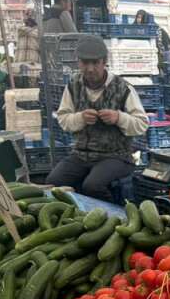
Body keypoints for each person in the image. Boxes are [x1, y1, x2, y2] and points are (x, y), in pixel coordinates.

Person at [46, 35, 149, 198]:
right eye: (85, 63)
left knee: (93, 185)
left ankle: (113, 212)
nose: (90, 69)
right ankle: (75, 211)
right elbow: (63, 119)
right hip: (81, 154)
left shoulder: (123, 88)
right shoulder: (73, 86)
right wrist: (80, 118)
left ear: (104, 62)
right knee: (54, 182)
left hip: (116, 156)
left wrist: (119, 118)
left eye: (95, 63)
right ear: (78, 62)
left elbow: (142, 124)